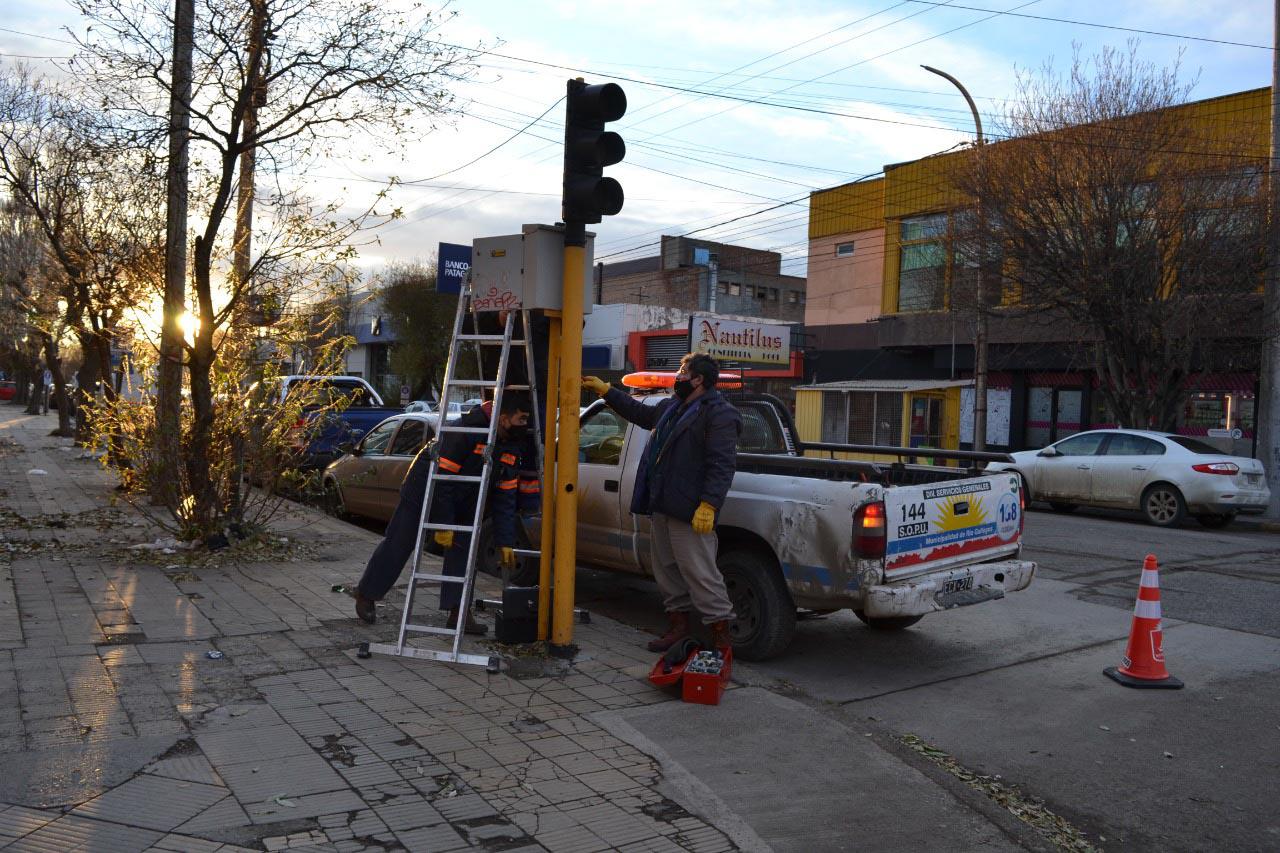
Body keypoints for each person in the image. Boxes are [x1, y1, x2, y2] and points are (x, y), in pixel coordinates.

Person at [582, 353, 742, 652]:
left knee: (700, 573)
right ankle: (679, 629)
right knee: (667, 570)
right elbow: (640, 413)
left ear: (698, 379)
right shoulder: (673, 407)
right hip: (662, 503)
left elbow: (722, 464)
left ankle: (721, 638)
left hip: (690, 509)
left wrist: (708, 504)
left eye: (683, 372)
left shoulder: (719, 414)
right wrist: (608, 392)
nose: (677, 377)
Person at [353, 392, 534, 634]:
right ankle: (366, 593)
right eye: (521, 419)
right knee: (399, 542)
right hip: (424, 488)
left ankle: (458, 613)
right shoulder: (464, 432)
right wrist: (444, 525)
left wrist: (505, 541)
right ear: (503, 418)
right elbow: (443, 483)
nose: (525, 426)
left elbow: (505, 497)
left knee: (463, 554)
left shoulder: (510, 446)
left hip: (467, 498)